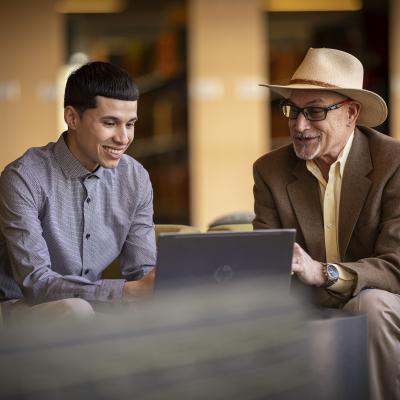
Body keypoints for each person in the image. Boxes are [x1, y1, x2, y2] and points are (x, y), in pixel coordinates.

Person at [253, 48, 400, 400]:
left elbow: (396, 266)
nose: (299, 125)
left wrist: (323, 272)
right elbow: (270, 263)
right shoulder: (270, 170)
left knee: (369, 306)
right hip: (306, 302)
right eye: (293, 110)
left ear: (351, 113)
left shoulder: (393, 162)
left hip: (382, 299)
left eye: (315, 111)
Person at [0, 61, 156, 322]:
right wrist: (126, 293)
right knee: (76, 311)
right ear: (72, 117)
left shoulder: (135, 177)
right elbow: (36, 283)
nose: (123, 138)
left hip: (95, 308)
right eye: (110, 123)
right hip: (22, 309)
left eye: (130, 124)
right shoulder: (23, 177)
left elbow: (143, 272)